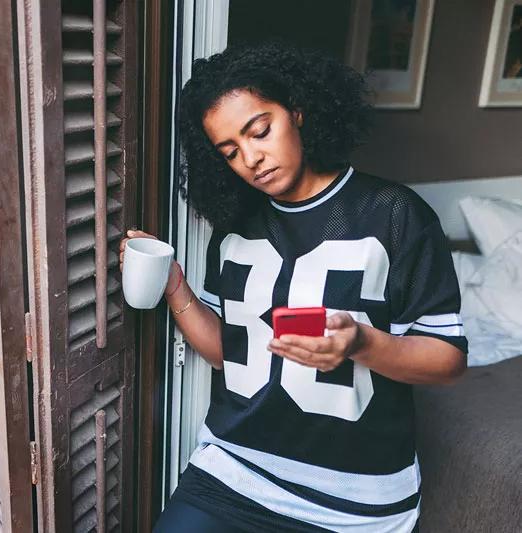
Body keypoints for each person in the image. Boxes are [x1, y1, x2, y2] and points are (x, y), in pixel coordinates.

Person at [120, 43, 467, 532]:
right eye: (231, 152)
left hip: (354, 500)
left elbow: (447, 361)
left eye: (260, 131)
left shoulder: (395, 214)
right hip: (235, 471)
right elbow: (229, 352)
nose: (252, 159)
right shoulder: (235, 229)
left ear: (298, 111)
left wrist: (361, 343)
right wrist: (176, 287)